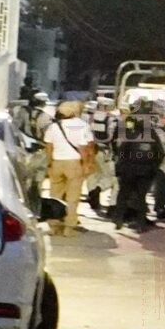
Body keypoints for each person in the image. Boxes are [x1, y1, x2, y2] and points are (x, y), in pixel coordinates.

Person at [43, 100, 96, 234]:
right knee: (73, 197)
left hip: (57, 162)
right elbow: (86, 147)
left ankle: (54, 226)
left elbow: (48, 147)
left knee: (55, 196)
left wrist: (50, 163)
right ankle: (69, 227)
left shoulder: (54, 126)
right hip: (74, 163)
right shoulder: (83, 126)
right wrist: (87, 164)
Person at [109, 108, 165, 231]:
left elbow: (122, 152)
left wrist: (120, 167)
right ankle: (141, 223)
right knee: (141, 197)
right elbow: (160, 153)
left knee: (123, 194)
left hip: (129, 169)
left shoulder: (130, 134)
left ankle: (118, 219)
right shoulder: (153, 135)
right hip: (146, 170)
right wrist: (154, 167)